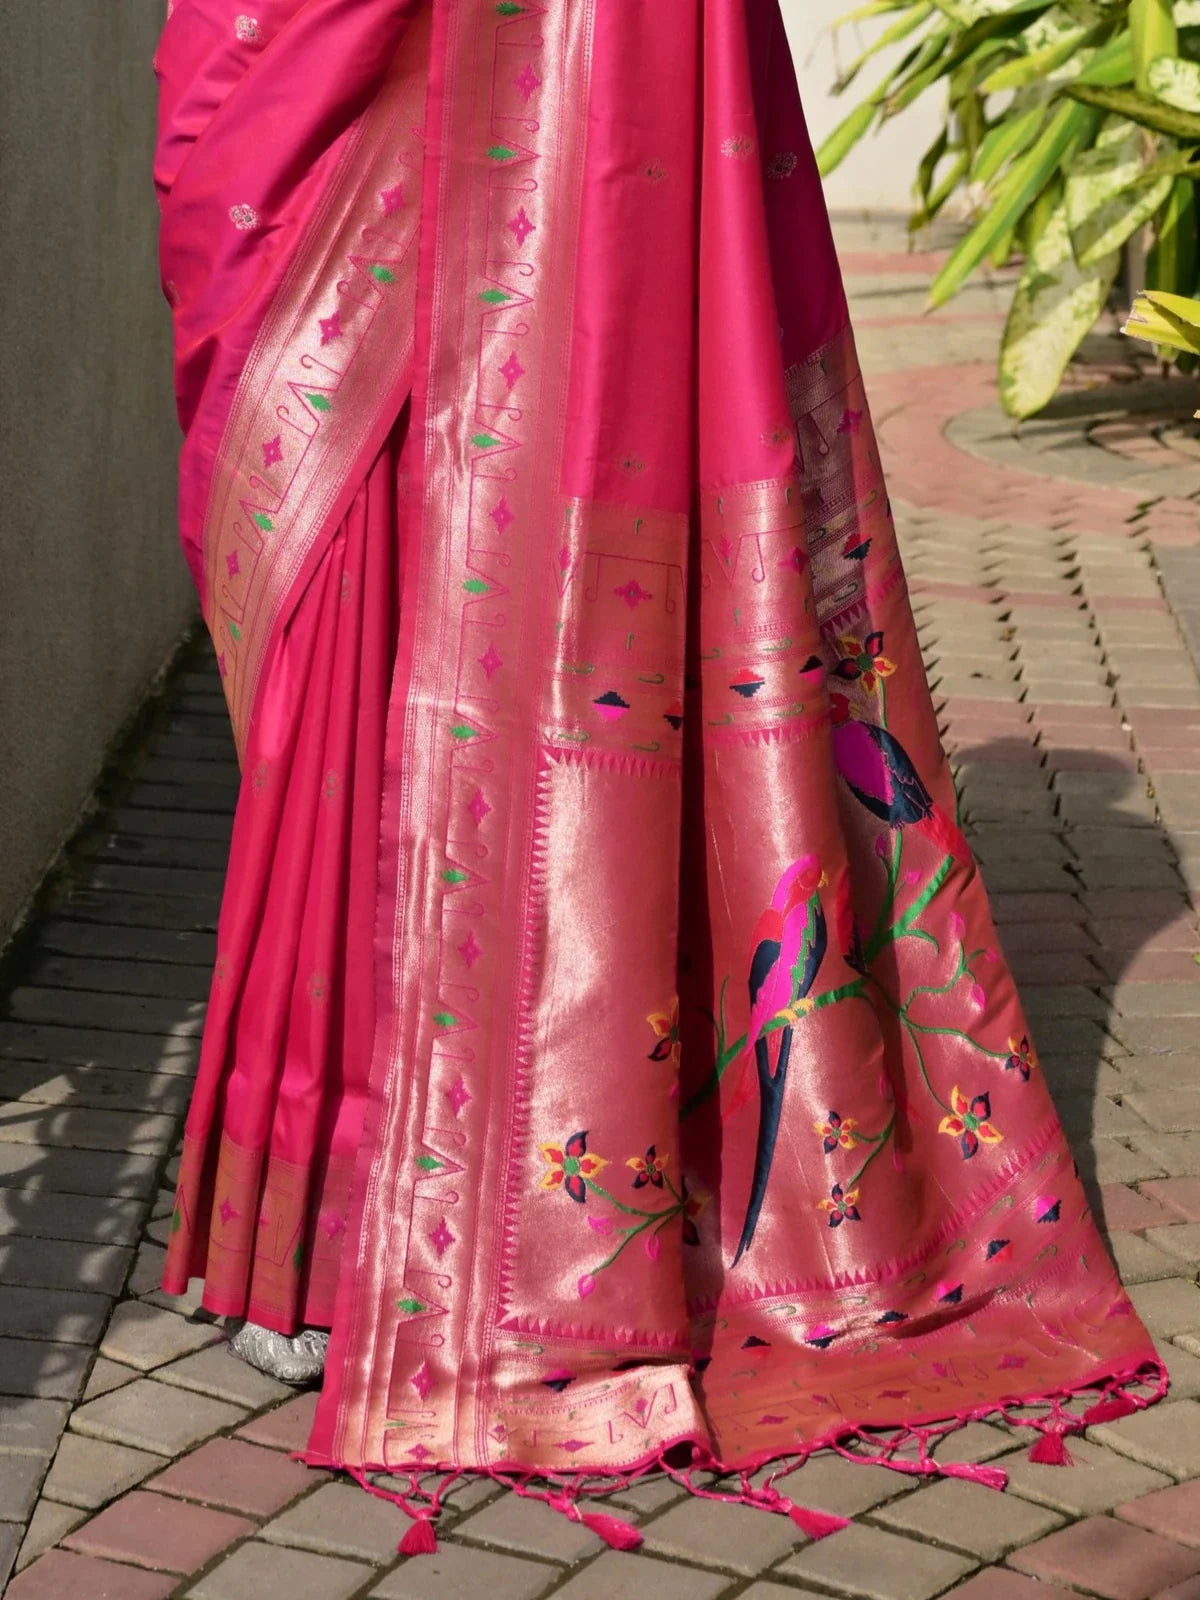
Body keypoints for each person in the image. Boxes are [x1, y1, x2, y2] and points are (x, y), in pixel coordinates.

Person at [154, 0, 1164, 1550]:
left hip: (584, 68)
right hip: (299, 64)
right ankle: (319, 1208)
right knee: (332, 605)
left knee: (504, 569)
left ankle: (418, 1231)